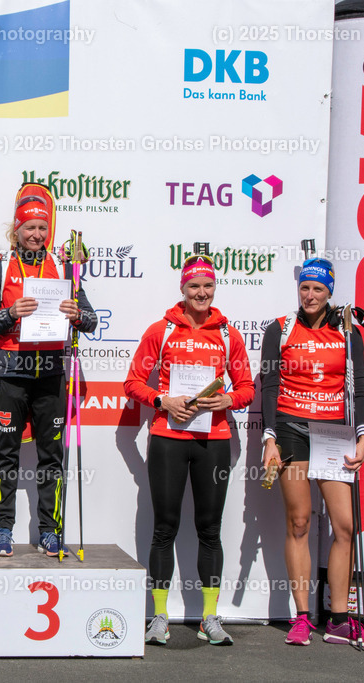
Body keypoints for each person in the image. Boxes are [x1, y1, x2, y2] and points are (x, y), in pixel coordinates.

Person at [124, 254, 255, 647]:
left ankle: (209, 617)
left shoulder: (228, 334)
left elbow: (247, 387)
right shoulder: (161, 331)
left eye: (208, 286)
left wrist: (227, 400)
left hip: (212, 442)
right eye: (194, 286)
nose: (201, 293)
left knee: (209, 530)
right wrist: (163, 400)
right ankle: (159, 616)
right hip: (168, 439)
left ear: (215, 289)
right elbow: (132, 383)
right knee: (164, 528)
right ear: (182, 289)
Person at [259, 258, 364, 647]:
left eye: (318, 289)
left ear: (330, 291)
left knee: (344, 526)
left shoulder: (348, 332)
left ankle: (340, 619)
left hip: (333, 433)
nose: (310, 295)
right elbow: (269, 386)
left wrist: (363, 437)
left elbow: (359, 388)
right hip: (292, 430)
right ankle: (301, 617)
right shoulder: (280, 329)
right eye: (304, 288)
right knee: (298, 522)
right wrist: (269, 439)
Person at [0, 183, 96, 558]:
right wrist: (11, 313)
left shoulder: (63, 266)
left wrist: (78, 315)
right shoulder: (0, 264)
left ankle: (50, 530)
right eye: (29, 227)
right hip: (11, 373)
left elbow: (90, 320)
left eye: (42, 228)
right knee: (6, 454)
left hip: (51, 376)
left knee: (51, 455)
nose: (36, 234)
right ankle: (1, 528)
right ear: (17, 229)